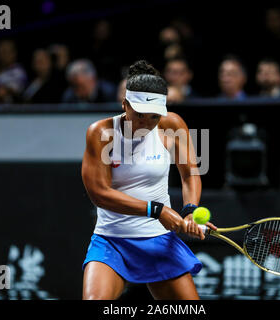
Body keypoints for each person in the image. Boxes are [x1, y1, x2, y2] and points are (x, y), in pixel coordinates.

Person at [81, 60, 216, 300]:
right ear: (125, 104)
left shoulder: (172, 124)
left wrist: (190, 211)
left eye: (154, 117)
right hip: (112, 239)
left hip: (159, 240)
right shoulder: (101, 133)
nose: (147, 124)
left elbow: (190, 173)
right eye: (140, 115)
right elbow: (99, 194)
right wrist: (157, 211)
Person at [0, 39, 28, 104]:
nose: (4, 55)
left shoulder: (19, 71)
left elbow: (20, 90)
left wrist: (7, 90)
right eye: (2, 52)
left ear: (14, 54)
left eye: (7, 52)